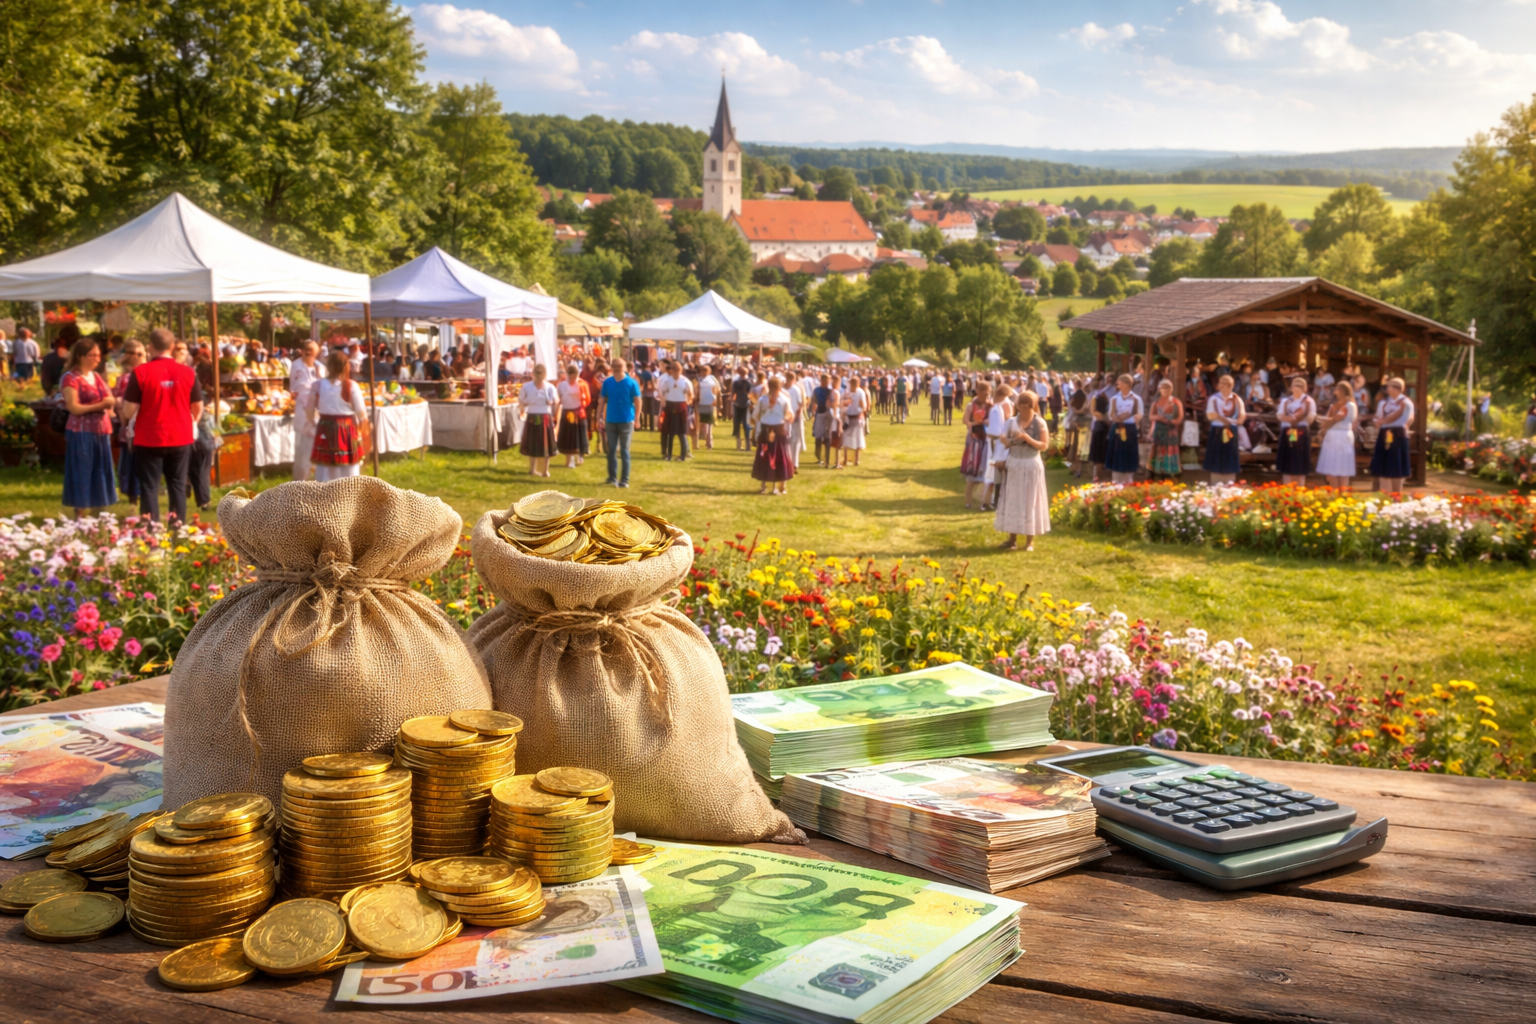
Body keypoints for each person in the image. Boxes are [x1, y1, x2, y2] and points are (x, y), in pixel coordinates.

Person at [120, 328, 203, 523]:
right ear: (172, 347)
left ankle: (151, 531)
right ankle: (176, 528)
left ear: (150, 347)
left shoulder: (140, 372)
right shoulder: (188, 372)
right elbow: (198, 407)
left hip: (149, 437)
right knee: (177, 485)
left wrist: (122, 413)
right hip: (180, 436)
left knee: (149, 486)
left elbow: (129, 410)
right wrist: (191, 423)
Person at [59, 339, 117, 518]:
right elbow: (74, 407)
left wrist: (108, 403)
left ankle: (99, 509)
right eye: (92, 355)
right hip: (81, 431)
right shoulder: (71, 378)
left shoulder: (96, 376)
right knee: (83, 470)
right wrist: (99, 405)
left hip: (101, 430)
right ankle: (81, 511)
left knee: (100, 469)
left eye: (98, 355)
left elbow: (109, 398)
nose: (96, 359)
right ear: (80, 356)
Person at [995, 390, 1051, 552]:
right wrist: (1008, 442)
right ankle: (1011, 539)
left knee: (1030, 500)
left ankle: (1029, 542)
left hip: (1031, 463)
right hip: (1014, 463)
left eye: (1027, 407)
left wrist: (1027, 438)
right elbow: (1004, 440)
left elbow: (1044, 445)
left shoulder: (1040, 423)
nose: (1024, 410)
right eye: (1021, 407)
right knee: (1013, 499)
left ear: (1033, 406)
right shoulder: (1011, 421)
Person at [597, 357, 641, 488]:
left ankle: (624, 480)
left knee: (624, 450)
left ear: (624, 368)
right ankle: (612, 477)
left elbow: (638, 401)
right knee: (611, 450)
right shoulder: (607, 382)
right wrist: (598, 417)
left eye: (619, 366)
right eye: (614, 366)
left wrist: (637, 418)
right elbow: (602, 400)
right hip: (610, 419)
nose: (616, 369)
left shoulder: (631, 383)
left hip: (626, 420)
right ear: (611, 368)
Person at [112, 339, 146, 504]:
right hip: (147, 427)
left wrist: (123, 421)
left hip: (130, 426)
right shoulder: (148, 374)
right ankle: (141, 492)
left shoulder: (125, 378)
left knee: (130, 463)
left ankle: (133, 493)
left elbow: (119, 402)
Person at [1369, 376, 1414, 494]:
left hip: (1398, 434)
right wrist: (1378, 424)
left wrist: (1383, 422)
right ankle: (1383, 496)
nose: (1387, 389)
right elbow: (1379, 418)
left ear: (1396, 388)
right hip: (1384, 434)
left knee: (1396, 466)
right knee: (1382, 465)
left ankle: (1396, 495)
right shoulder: (1383, 403)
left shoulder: (1406, 402)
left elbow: (1399, 417)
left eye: (1388, 386)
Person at [751, 377, 795, 496]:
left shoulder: (781, 400)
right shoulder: (764, 400)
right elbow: (756, 416)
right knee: (770, 457)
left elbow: (790, 416)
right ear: (777, 388)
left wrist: (776, 417)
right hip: (771, 429)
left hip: (776, 429)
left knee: (775, 457)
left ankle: (776, 486)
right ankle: (768, 486)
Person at [289, 341, 324, 481]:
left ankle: (314, 477)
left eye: (313, 353)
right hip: (303, 412)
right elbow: (294, 387)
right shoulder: (296, 366)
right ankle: (300, 480)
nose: (310, 356)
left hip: (316, 410)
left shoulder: (319, 367)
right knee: (303, 447)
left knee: (315, 446)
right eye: (308, 352)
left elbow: (324, 385)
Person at [1203, 375, 1245, 484]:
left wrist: (1238, 420)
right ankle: (1216, 483)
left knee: (1230, 456)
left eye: (1226, 383)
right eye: (1221, 383)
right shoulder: (1214, 398)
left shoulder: (1237, 399)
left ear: (1231, 386)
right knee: (1217, 457)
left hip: (1232, 430)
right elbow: (1210, 415)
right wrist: (1224, 419)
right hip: (1217, 430)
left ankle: (1229, 483)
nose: (1222, 385)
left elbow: (1242, 415)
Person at [518, 363, 558, 477]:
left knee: (546, 444)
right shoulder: (527, 387)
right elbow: (521, 400)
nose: (539, 375)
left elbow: (555, 400)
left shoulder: (550, 387)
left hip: (545, 416)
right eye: (537, 372)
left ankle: (545, 471)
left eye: (541, 373)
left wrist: (552, 404)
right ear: (533, 374)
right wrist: (523, 408)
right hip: (532, 416)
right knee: (533, 444)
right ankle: (532, 470)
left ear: (544, 374)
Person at [1276, 376, 1317, 486]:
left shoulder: (1309, 401)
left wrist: (1296, 419)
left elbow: (1311, 418)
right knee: (1288, 460)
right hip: (1288, 432)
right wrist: (1289, 419)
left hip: (1301, 432)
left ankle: (1299, 487)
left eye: (1300, 386)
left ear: (1304, 388)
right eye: (1295, 385)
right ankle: (1287, 487)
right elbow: (1280, 415)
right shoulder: (1285, 401)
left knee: (1299, 460)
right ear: (1291, 387)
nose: (1297, 388)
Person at [1316, 381, 1358, 489]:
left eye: (1337, 389)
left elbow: (1336, 419)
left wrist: (1319, 418)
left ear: (1343, 391)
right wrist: (1323, 426)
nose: (1335, 391)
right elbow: (1328, 419)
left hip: (1342, 436)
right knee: (1332, 466)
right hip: (1332, 436)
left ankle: (1342, 492)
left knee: (1342, 466)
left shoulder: (1350, 405)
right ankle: (1334, 492)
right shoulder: (1334, 405)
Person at [1105, 374, 1143, 484]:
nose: (1118, 384)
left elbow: (1139, 414)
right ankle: (1116, 480)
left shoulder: (1136, 399)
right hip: (1118, 427)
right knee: (1117, 453)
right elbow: (1111, 414)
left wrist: (1134, 416)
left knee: (1129, 453)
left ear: (1126, 384)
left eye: (1120, 382)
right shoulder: (1114, 399)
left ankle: (1128, 480)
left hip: (1130, 428)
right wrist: (1116, 418)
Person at [961, 380, 993, 509]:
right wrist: (972, 425)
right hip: (973, 440)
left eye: (988, 395)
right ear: (978, 392)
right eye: (984, 394)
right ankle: (968, 502)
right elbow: (965, 420)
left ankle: (983, 501)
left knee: (985, 471)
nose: (986, 397)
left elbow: (994, 420)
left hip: (985, 440)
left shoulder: (990, 406)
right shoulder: (970, 405)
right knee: (972, 472)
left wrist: (987, 421)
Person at [1147, 379, 1184, 480]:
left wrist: (1171, 421)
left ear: (1171, 389)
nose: (1165, 390)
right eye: (1163, 388)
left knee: (1170, 451)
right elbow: (1151, 416)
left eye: (1168, 387)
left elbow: (1180, 418)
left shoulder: (1176, 402)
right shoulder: (1156, 402)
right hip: (1159, 431)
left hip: (1171, 431)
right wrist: (1159, 418)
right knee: (1157, 450)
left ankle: (1170, 472)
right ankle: (1156, 472)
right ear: (1159, 389)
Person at [658, 360, 693, 461]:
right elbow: (662, 392)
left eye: (678, 370)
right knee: (670, 432)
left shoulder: (685, 381)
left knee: (681, 432)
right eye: (674, 370)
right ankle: (669, 455)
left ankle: (682, 456)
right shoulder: (667, 381)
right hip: (669, 405)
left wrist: (687, 402)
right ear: (671, 371)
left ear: (681, 370)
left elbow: (691, 394)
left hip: (681, 406)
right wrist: (664, 402)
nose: (676, 372)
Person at [556, 364, 588, 469]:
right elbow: (558, 399)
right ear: (567, 375)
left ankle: (580, 455)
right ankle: (569, 460)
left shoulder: (581, 384)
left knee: (579, 436)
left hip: (578, 412)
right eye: (571, 377)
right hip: (567, 412)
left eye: (574, 377)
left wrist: (582, 400)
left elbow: (587, 399)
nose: (572, 379)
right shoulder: (561, 385)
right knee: (568, 437)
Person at [838, 375, 868, 469]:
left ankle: (856, 460)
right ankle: (846, 459)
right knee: (846, 438)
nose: (853, 385)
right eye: (852, 383)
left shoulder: (860, 392)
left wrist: (860, 410)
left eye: (855, 383)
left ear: (858, 383)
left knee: (858, 438)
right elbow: (842, 402)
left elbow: (863, 406)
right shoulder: (847, 392)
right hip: (848, 417)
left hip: (857, 417)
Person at [1088, 377, 1111, 482]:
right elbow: (1094, 411)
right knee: (1099, 453)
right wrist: (1106, 420)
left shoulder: (1106, 397)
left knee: (1104, 451)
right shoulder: (1095, 397)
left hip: (1106, 425)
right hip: (1100, 425)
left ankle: (1103, 475)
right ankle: (1097, 476)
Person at [1065, 386, 1092, 478]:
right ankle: (1081, 469)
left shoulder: (1072, 403)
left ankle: (1076, 468)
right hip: (1084, 428)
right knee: (1082, 450)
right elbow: (1082, 412)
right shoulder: (1086, 405)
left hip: (1075, 428)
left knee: (1075, 449)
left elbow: (1073, 413)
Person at [41, 327, 76, 394]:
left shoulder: (48, 358)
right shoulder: (75, 357)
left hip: (55, 394)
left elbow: (45, 382)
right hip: (71, 393)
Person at [696, 365, 719, 449]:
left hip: (706, 403)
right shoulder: (701, 379)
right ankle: (706, 442)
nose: (703, 373)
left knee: (706, 423)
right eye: (702, 371)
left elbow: (716, 390)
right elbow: (717, 390)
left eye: (704, 371)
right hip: (706, 402)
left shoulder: (708, 380)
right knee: (706, 423)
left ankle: (708, 442)